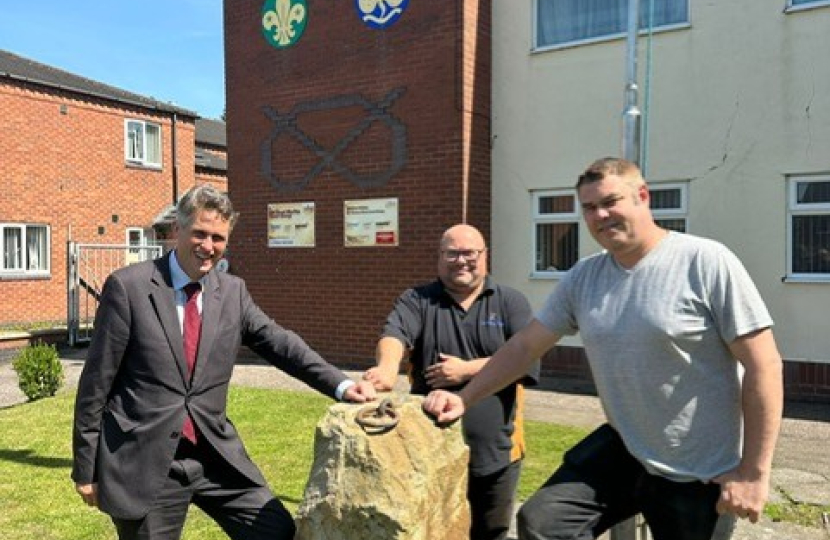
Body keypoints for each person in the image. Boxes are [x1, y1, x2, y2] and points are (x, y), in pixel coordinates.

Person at [424, 158, 784, 540]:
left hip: (698, 467)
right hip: (626, 448)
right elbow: (525, 346)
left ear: (642, 197)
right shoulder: (585, 276)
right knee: (544, 523)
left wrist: (753, 473)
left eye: (611, 202)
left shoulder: (705, 262)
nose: (601, 215)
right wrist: (465, 399)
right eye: (590, 208)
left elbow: (765, 365)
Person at [72, 184, 376, 540]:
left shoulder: (232, 292)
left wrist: (341, 385)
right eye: (199, 233)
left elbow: (281, 344)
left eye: (218, 237)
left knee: (277, 532)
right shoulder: (129, 288)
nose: (208, 246)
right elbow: (96, 384)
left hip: (215, 456)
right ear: (177, 230)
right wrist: (86, 469)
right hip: (147, 462)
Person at [363, 224, 540, 540]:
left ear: (485, 256)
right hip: (429, 452)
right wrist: (387, 368)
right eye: (452, 253)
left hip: (496, 454)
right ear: (440, 257)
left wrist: (467, 370)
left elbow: (527, 357)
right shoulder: (418, 300)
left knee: (491, 533)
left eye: (469, 253)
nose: (461, 261)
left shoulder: (510, 302)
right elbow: (394, 335)